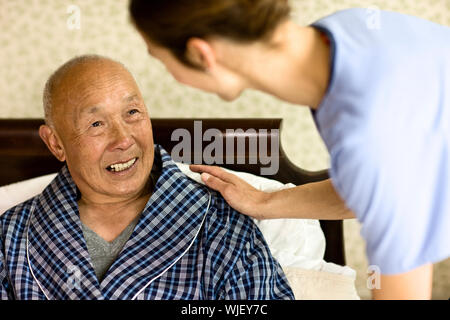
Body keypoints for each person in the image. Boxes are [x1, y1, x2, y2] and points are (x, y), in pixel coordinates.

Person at [129, 0, 450, 299]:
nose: (172, 77)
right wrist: (264, 202)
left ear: (201, 54)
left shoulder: (369, 128)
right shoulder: (346, 34)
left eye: (160, 59)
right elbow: (375, 191)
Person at [0, 55, 294, 300]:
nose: (124, 139)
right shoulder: (10, 238)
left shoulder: (219, 223)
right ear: (56, 143)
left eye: (132, 112)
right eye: (96, 123)